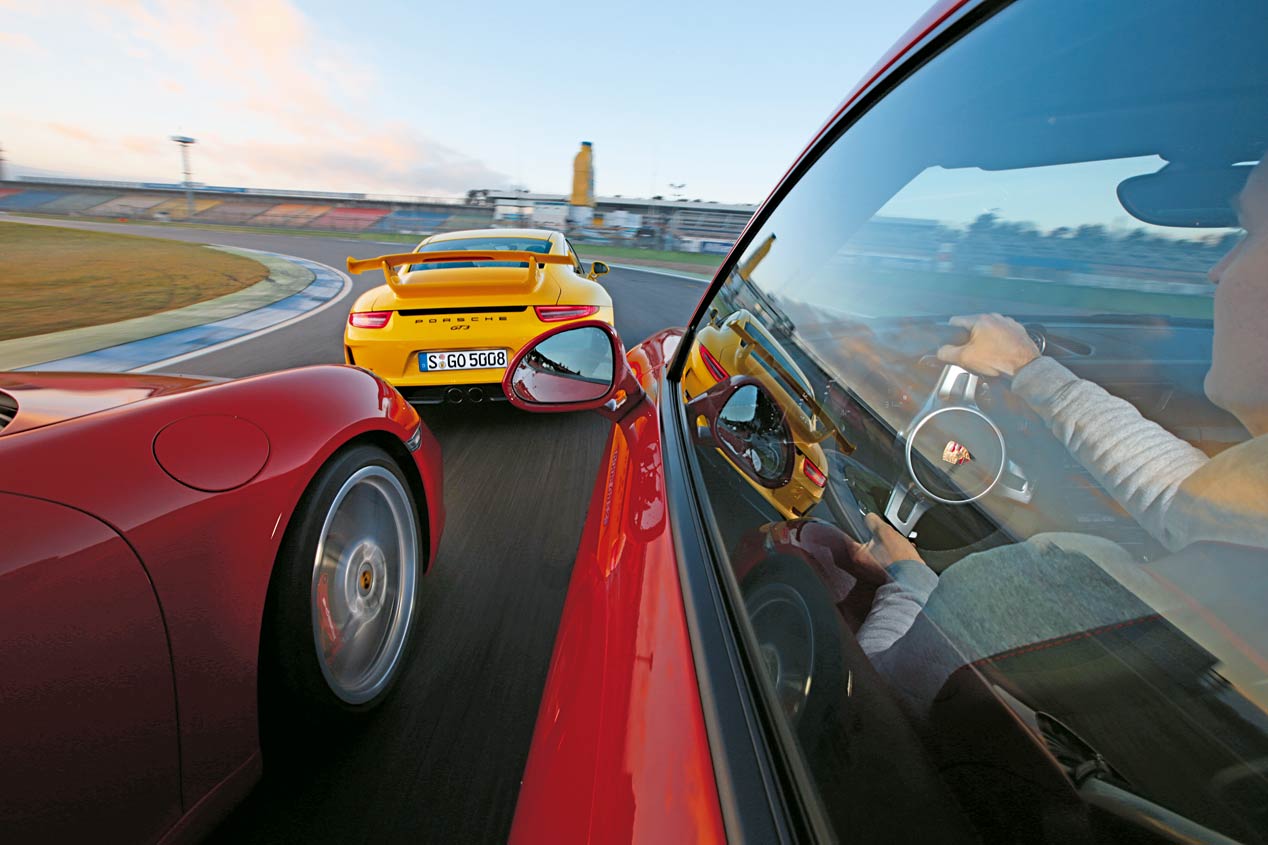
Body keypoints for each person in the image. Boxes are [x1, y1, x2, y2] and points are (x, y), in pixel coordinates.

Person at [848, 158, 1268, 682]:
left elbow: (873, 695)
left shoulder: (1063, 591)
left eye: (1249, 233)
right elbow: (1190, 503)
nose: (1216, 270)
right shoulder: (1248, 531)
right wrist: (1027, 367)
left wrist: (905, 575)